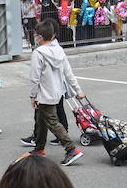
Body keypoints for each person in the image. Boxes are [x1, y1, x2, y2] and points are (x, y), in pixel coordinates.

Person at [28, 20, 85, 166]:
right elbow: (68, 73)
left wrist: (32, 96)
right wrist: (78, 90)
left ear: (40, 37)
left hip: (44, 93)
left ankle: (71, 149)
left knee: (52, 122)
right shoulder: (59, 50)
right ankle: (39, 148)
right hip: (57, 91)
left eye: (36, 35)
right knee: (41, 119)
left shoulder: (38, 53)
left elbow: (35, 77)